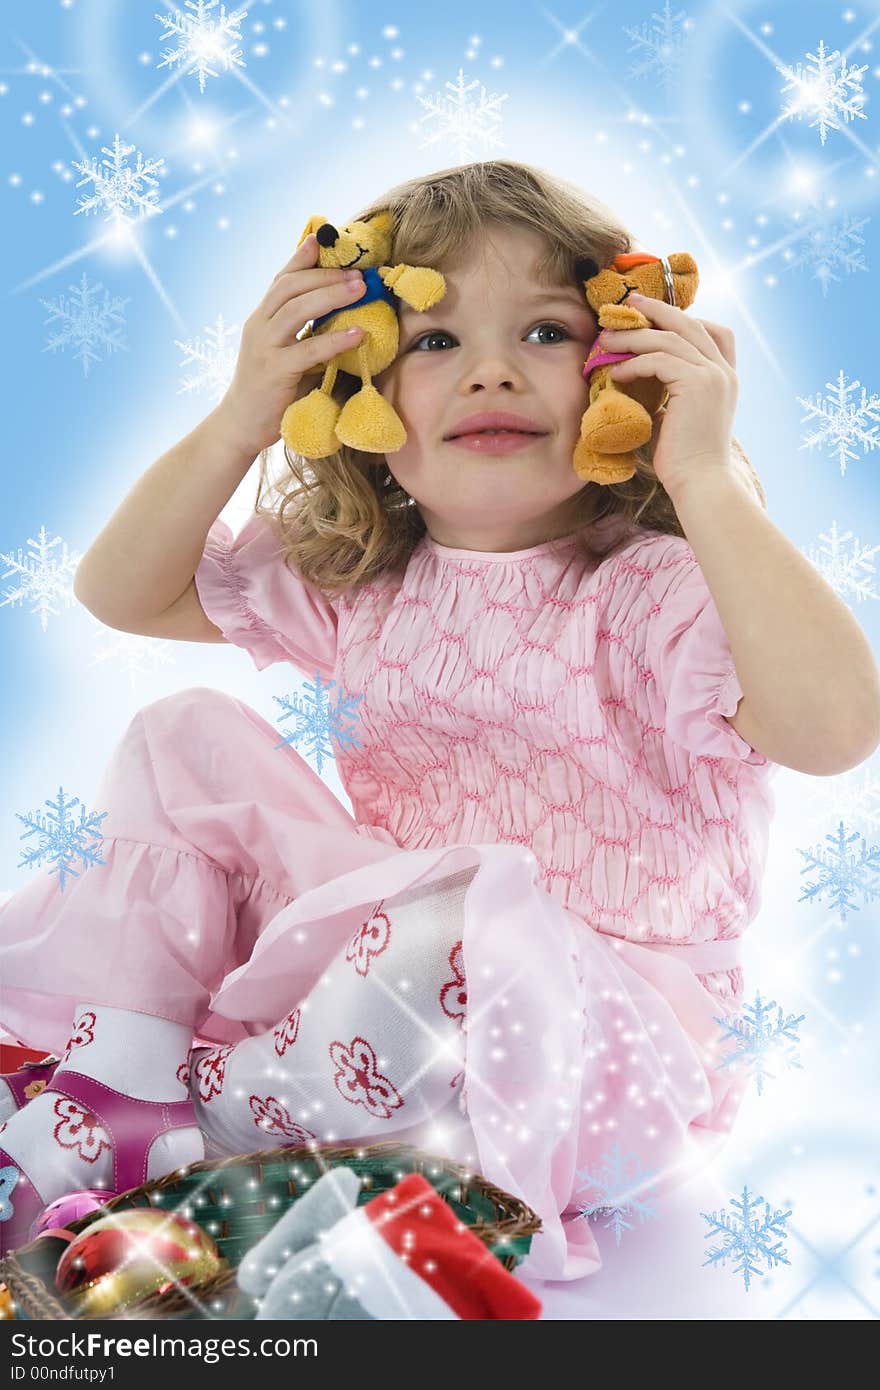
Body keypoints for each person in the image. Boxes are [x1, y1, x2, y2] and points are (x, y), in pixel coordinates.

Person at [1, 161, 874, 1283]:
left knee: (469, 905)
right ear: (356, 390)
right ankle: (128, 1084)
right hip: (393, 1000)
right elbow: (121, 590)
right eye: (434, 341)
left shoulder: (661, 589)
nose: (494, 371)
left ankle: (227, 1138)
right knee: (184, 737)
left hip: (613, 1057)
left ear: (626, 371)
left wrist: (705, 478)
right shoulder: (366, 582)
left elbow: (838, 728)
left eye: (549, 333)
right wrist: (241, 416)